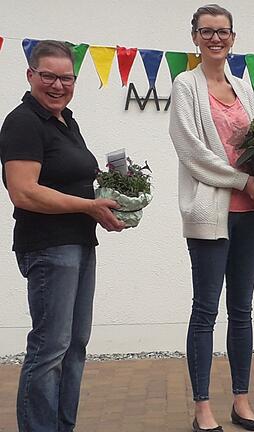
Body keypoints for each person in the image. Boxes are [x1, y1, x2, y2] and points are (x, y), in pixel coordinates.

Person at [0, 40, 124, 432]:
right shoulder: (22, 121)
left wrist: (108, 197)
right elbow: (24, 190)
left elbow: (73, 181)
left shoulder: (66, 121)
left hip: (80, 244)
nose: (58, 85)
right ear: (30, 76)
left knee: (73, 347)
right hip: (49, 247)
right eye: (48, 76)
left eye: (66, 78)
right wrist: (89, 207)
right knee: (49, 349)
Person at [168, 4, 254, 431]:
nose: (215, 38)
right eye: (206, 31)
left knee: (242, 310)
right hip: (212, 213)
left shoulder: (244, 87)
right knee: (206, 309)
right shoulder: (185, 84)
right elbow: (191, 151)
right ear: (194, 37)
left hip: (249, 215)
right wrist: (242, 180)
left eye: (222, 31)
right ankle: (202, 407)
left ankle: (241, 400)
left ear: (233, 37)